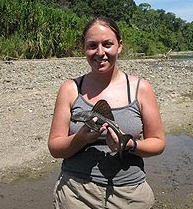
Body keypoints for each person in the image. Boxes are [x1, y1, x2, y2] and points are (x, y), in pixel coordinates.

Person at [48, 16, 166, 209]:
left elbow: (158, 143)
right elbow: (54, 147)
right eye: (92, 45)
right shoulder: (70, 89)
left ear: (119, 46)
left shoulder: (140, 88)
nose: (100, 52)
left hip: (130, 195)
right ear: (84, 48)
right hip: (76, 193)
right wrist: (81, 139)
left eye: (107, 44)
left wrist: (129, 144)